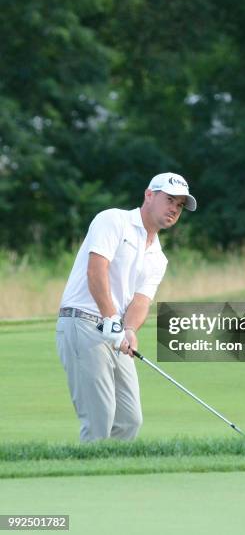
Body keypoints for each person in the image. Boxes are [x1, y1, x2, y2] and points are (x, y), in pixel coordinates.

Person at [56, 172, 197, 442]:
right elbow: (96, 270)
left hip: (115, 330)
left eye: (179, 205)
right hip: (82, 322)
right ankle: (89, 480)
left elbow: (141, 299)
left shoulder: (159, 257)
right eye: (169, 200)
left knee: (129, 419)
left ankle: (110, 477)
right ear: (149, 195)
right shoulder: (113, 220)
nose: (174, 209)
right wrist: (111, 317)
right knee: (100, 417)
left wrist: (130, 329)